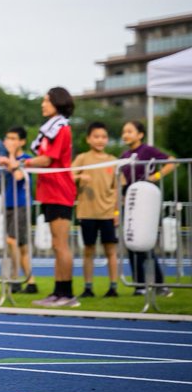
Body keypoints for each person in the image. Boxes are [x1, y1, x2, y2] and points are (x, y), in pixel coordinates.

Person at [2, 87, 77, 308]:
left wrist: (22, 163)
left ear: (57, 103)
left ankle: (67, 294)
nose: (43, 104)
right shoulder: (50, 129)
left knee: (61, 244)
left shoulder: (62, 128)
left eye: (47, 101)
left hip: (60, 191)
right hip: (48, 191)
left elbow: (47, 160)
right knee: (56, 244)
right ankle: (58, 292)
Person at [119, 120, 175, 296]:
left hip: (145, 202)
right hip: (130, 202)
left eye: (130, 131)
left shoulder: (148, 151)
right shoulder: (124, 155)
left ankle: (159, 285)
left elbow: (172, 162)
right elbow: (122, 180)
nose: (126, 135)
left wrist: (155, 176)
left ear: (140, 134)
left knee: (146, 244)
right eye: (124, 132)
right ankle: (139, 285)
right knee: (131, 243)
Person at [72, 122, 120, 298]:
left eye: (103, 137)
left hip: (107, 213)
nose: (100, 140)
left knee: (110, 251)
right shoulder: (82, 158)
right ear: (88, 139)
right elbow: (68, 175)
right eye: (96, 136)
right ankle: (88, 288)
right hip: (87, 212)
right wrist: (79, 176)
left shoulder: (113, 161)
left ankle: (113, 287)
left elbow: (118, 188)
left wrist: (116, 212)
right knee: (88, 250)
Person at [1, 126, 37, 294]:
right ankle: (31, 282)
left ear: (22, 142)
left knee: (12, 240)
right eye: (8, 138)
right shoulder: (7, 159)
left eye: (13, 138)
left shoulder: (26, 159)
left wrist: (10, 156)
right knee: (21, 246)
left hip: (22, 204)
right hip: (8, 203)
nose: (10, 141)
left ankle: (15, 278)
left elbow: (18, 176)